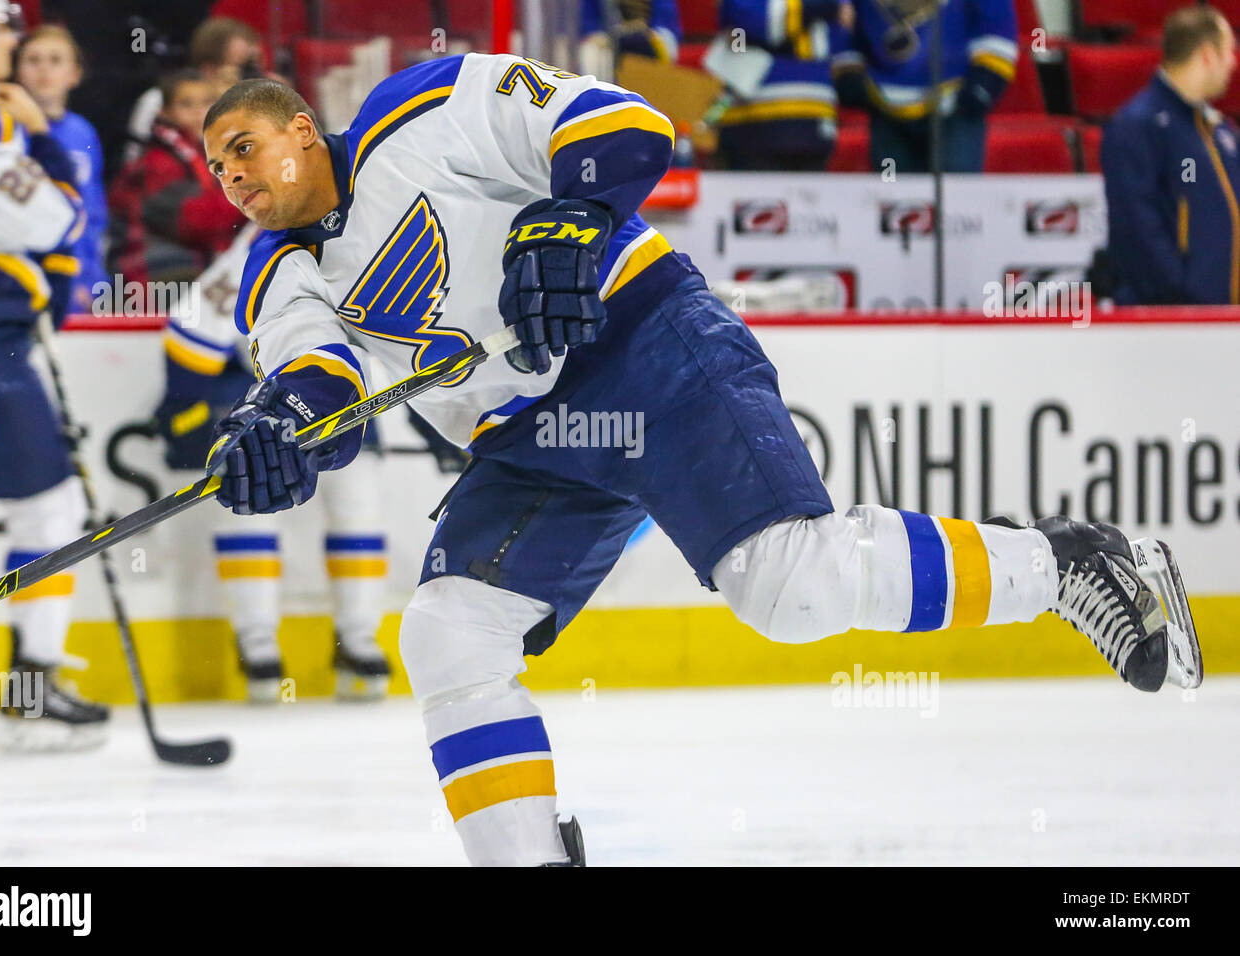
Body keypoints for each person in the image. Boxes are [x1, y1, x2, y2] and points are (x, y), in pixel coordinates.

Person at [198, 56, 1201, 866]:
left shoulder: (415, 109)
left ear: (300, 128)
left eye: (245, 147)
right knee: (450, 628)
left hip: (642, 339)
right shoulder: (275, 272)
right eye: (217, 168)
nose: (234, 177)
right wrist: (277, 431)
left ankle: (1064, 561)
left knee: (788, 583)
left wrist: (565, 218)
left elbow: (618, 125)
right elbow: (315, 377)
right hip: (529, 435)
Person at [0, 0, 107, 753]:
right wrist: (40, 132)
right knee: (52, 507)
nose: (9, 42)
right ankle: (33, 690)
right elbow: (59, 219)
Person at [154, 222, 399, 703]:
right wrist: (182, 405)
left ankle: (359, 637)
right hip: (263, 392)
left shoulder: (382, 216)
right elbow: (198, 323)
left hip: (343, 393)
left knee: (360, 502)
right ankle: (257, 639)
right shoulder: (276, 231)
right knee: (249, 492)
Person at [1102, 5, 1240, 305]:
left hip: (1220, 320)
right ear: (1206, 54)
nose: (1233, 63)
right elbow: (1137, 228)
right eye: (1229, 52)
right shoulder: (1137, 126)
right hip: (1165, 323)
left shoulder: (1220, 132)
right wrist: (1183, 293)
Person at [832, 0, 1017, 173]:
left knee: (957, 198)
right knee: (893, 198)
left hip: (956, 107)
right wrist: (847, 68)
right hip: (884, 107)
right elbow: (843, 20)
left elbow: (997, 22)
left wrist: (985, 80)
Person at [109, 68, 242, 285]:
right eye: (186, 104)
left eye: (206, 102)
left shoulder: (207, 153)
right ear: (165, 112)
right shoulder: (157, 161)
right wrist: (249, 197)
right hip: (152, 278)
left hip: (185, 270)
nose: (199, 112)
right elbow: (194, 220)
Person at [14, 23, 107, 314]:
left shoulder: (83, 132)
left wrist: (91, 280)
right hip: (24, 275)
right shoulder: (6, 130)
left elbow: (92, 213)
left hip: (80, 279)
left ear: (75, 73)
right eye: (33, 60)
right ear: (16, 70)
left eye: (55, 60)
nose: (44, 70)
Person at [713, 1, 855, 170]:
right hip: (753, 117)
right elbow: (753, 19)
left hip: (816, 116)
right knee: (756, 191)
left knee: (810, 193)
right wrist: (824, 7)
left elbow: (844, 34)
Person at [124, 16, 273, 165]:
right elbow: (135, 163)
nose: (250, 77)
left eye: (252, 68)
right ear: (209, 68)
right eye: (242, 67)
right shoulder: (158, 99)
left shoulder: (254, 104)